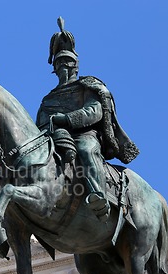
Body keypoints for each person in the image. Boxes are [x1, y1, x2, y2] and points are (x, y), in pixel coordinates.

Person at [36, 17, 139, 222]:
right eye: (59, 63)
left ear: (76, 66)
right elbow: (39, 124)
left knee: (85, 150)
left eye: (67, 62)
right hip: (56, 137)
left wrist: (65, 119)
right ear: (54, 69)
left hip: (85, 135)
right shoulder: (48, 98)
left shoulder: (88, 86)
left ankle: (97, 194)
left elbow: (94, 111)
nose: (63, 66)